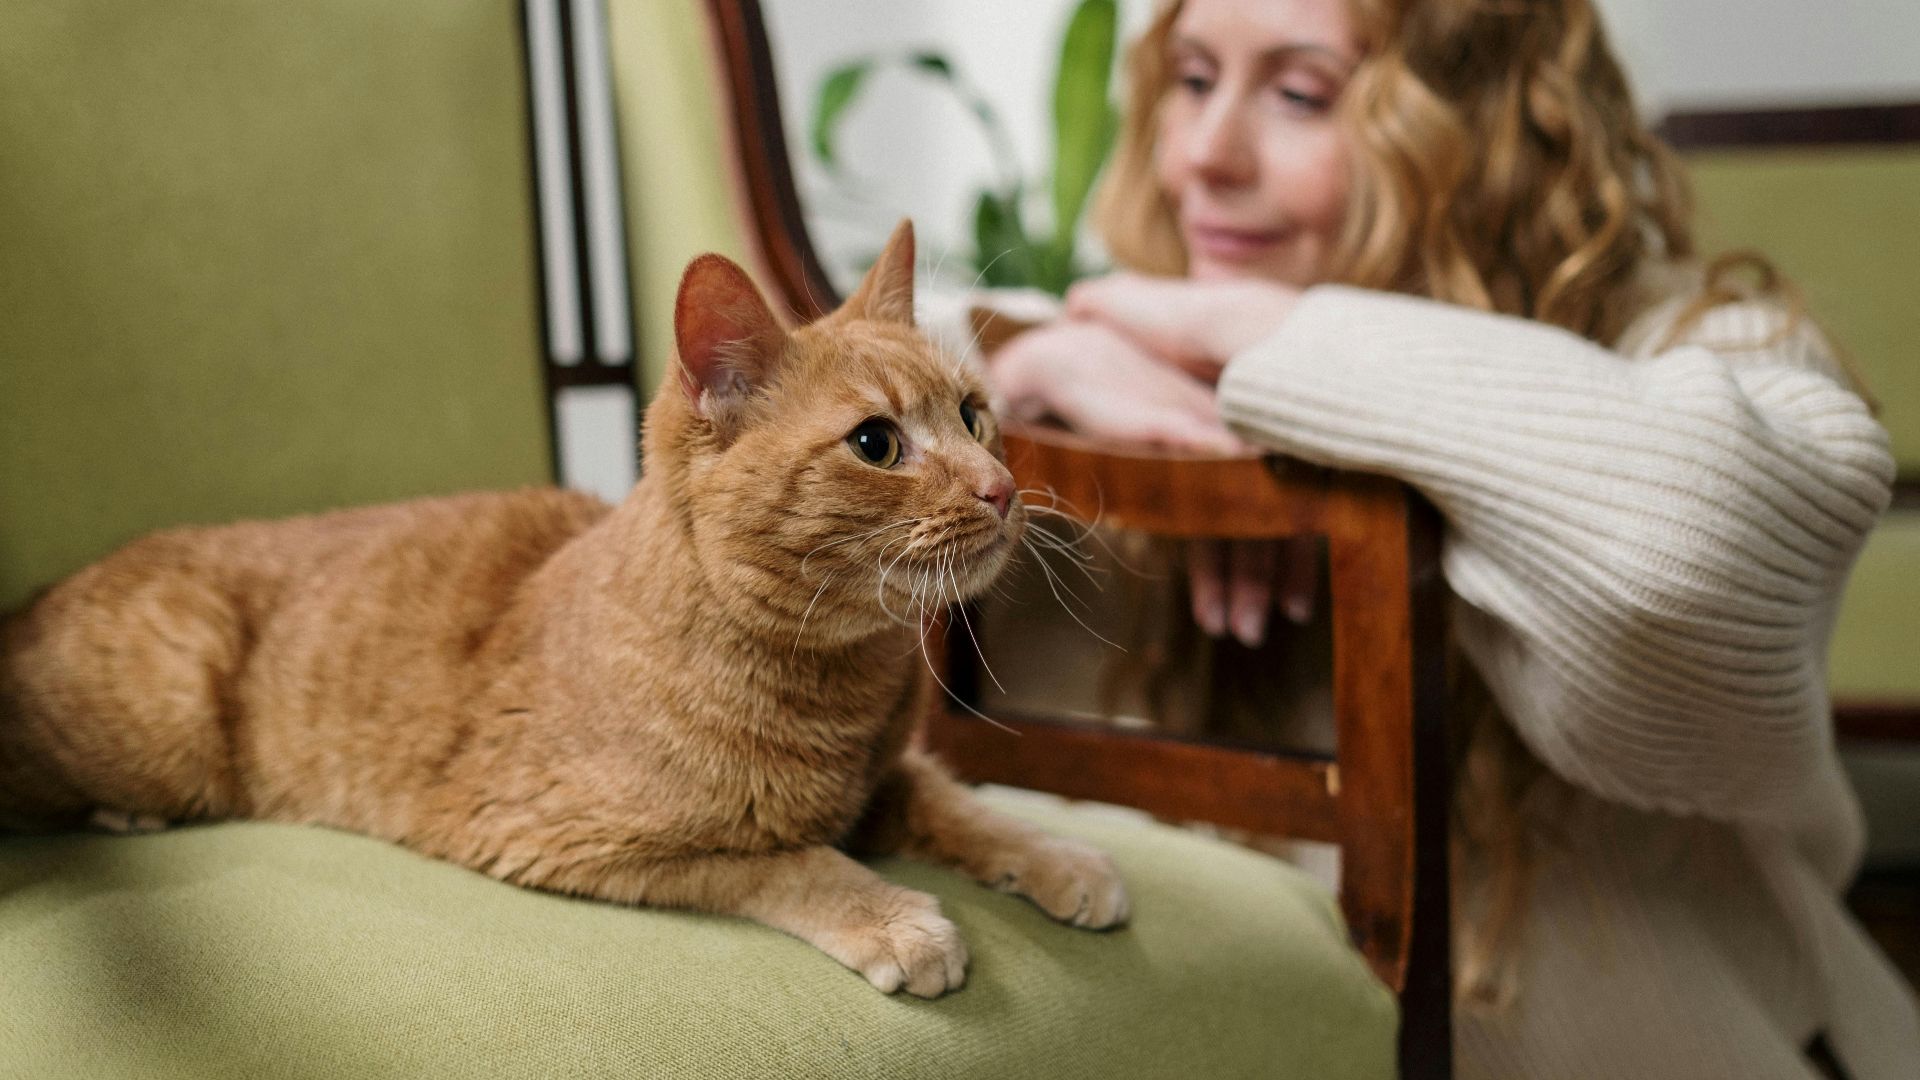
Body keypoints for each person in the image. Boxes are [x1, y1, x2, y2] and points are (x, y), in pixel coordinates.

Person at [973, 0, 1920, 1076]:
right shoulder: (1099, 370)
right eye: (1191, 80)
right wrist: (1027, 369)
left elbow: (1687, 550)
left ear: (1476, 129)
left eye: (1299, 94)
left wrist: (1273, 355)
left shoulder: (1702, 350)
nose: (1199, 155)